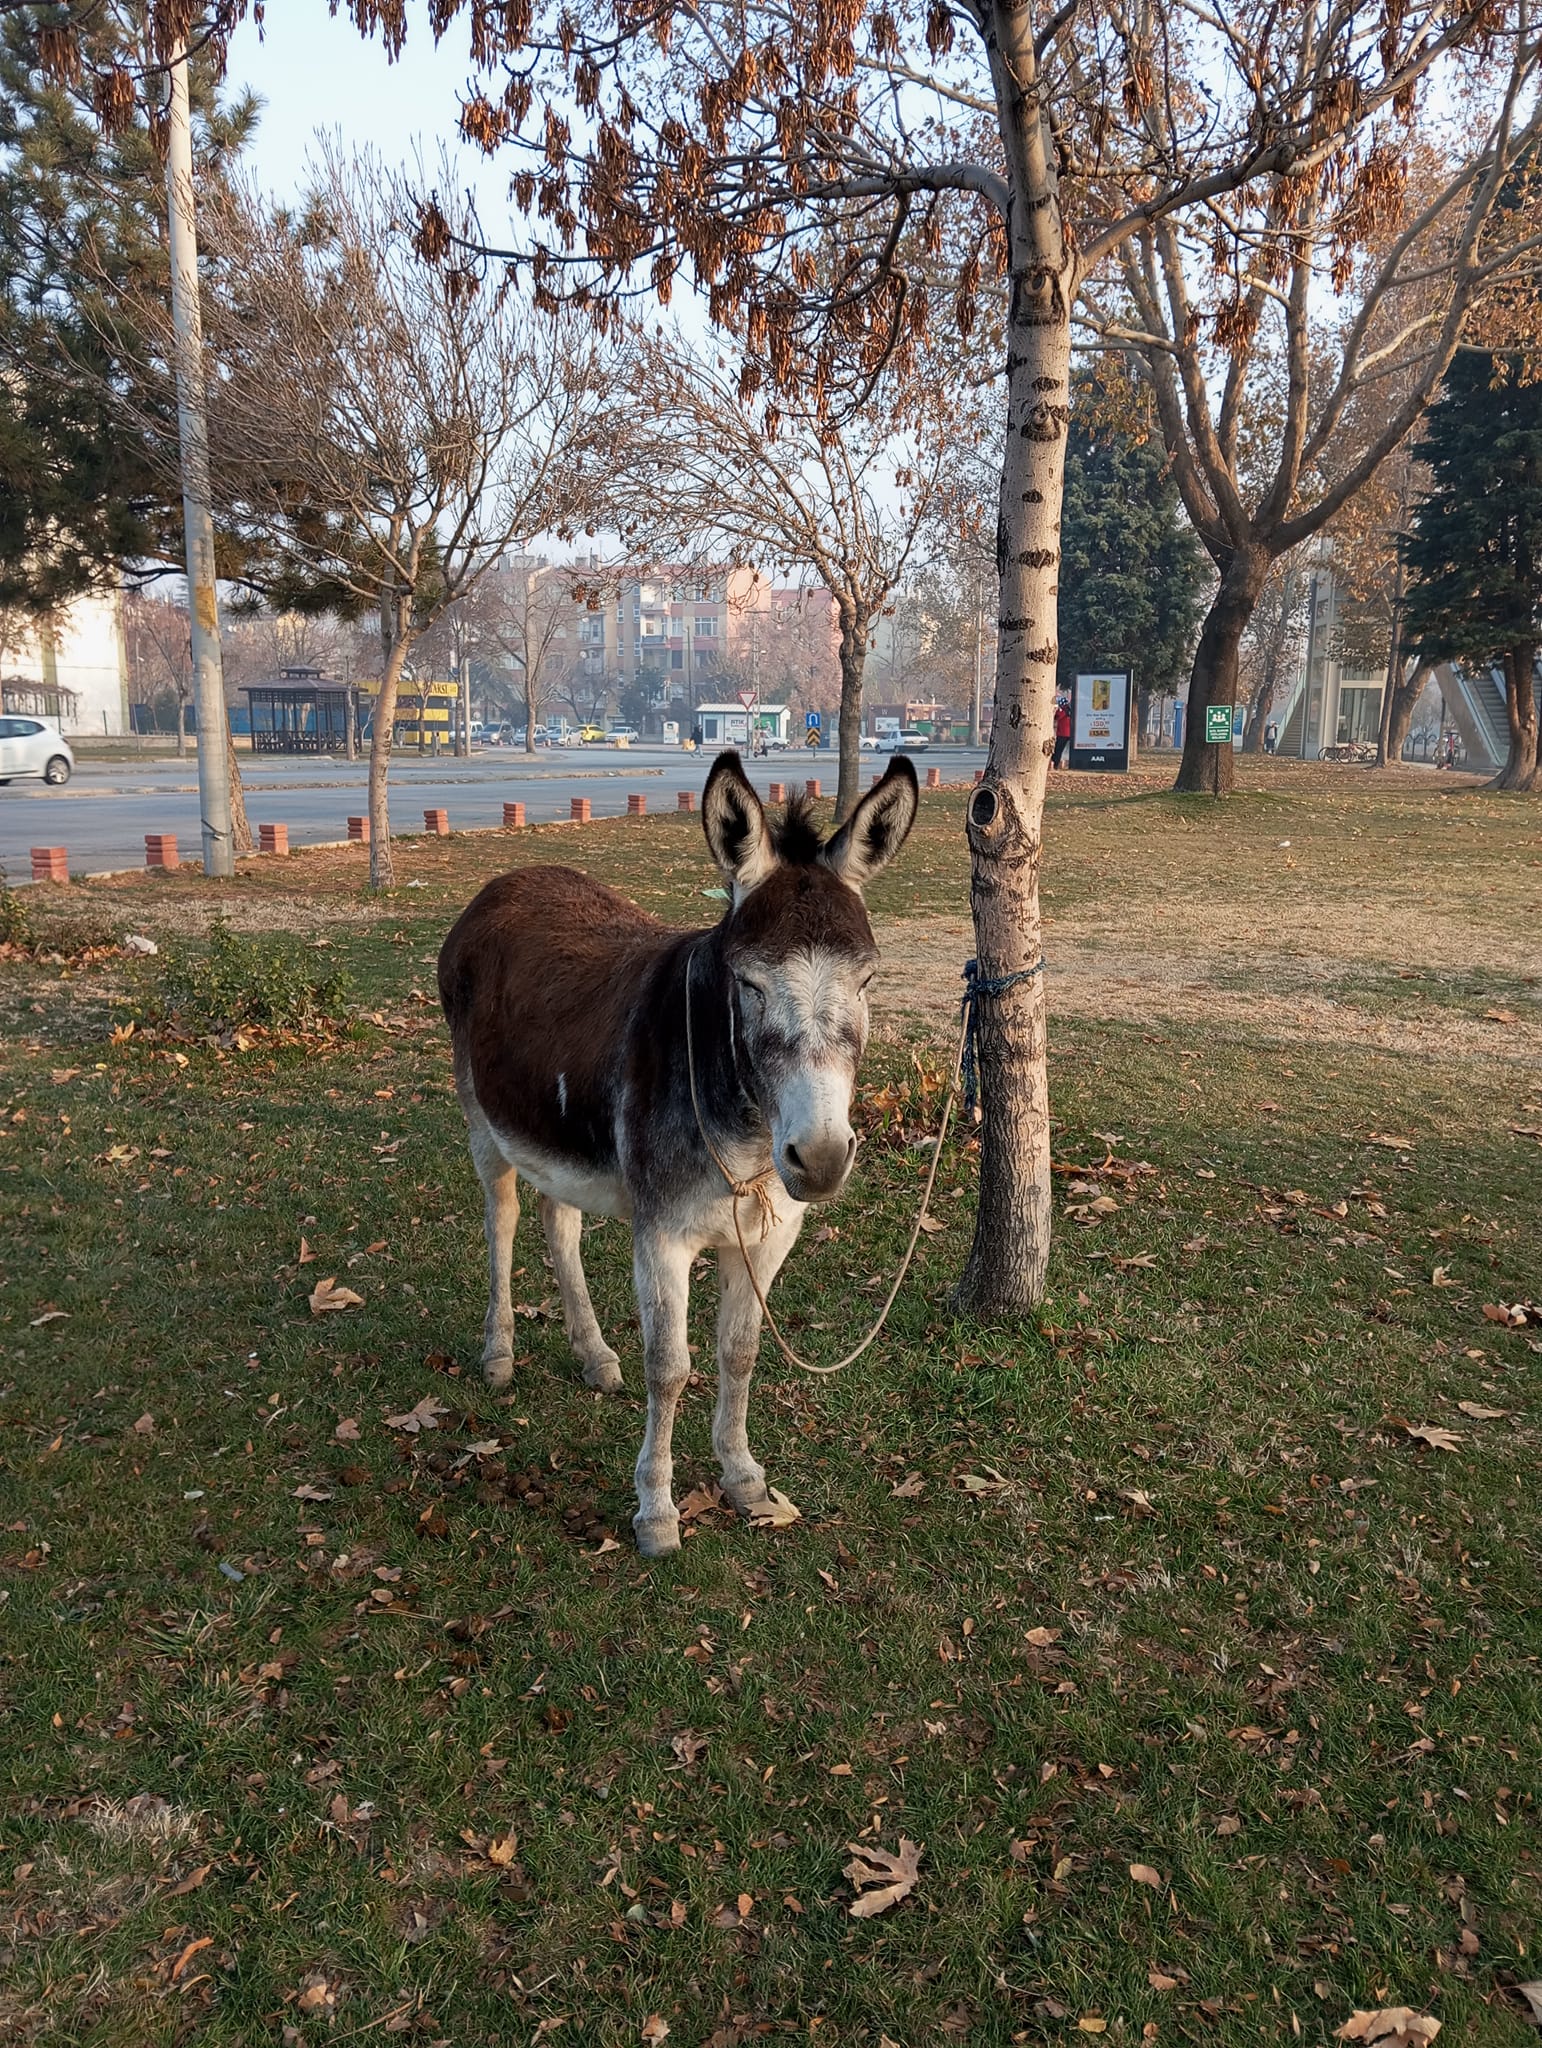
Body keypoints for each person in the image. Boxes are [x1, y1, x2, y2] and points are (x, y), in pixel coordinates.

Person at [1052, 695, 1072, 767]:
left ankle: (1055, 764)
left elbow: (1057, 717)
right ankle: (1057, 763)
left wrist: (1056, 711)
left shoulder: (1063, 710)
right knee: (1062, 749)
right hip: (1068, 733)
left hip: (1062, 734)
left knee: (1058, 750)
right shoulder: (1069, 710)